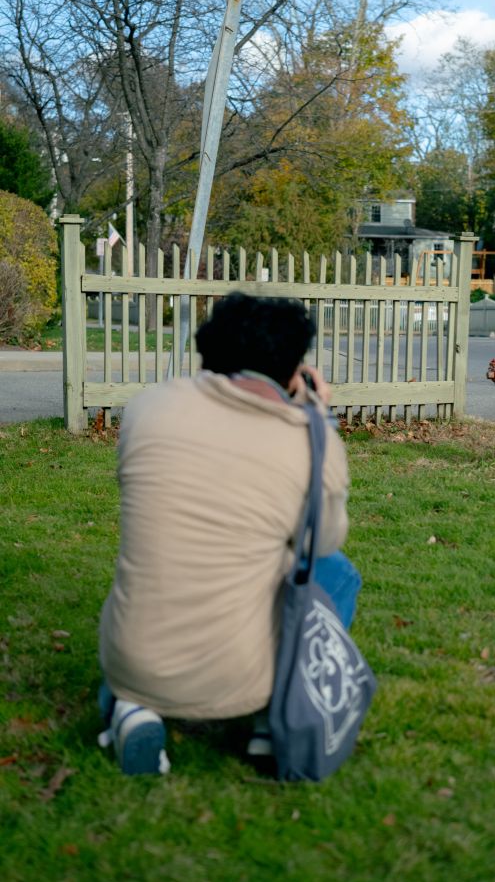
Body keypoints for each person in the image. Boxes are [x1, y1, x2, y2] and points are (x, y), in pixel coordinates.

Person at [98, 292, 360, 775]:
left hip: (129, 663)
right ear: (295, 370)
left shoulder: (147, 409)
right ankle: (270, 720)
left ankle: (131, 709)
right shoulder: (308, 440)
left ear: (208, 350)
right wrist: (319, 417)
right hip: (240, 680)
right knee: (335, 571)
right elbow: (322, 542)